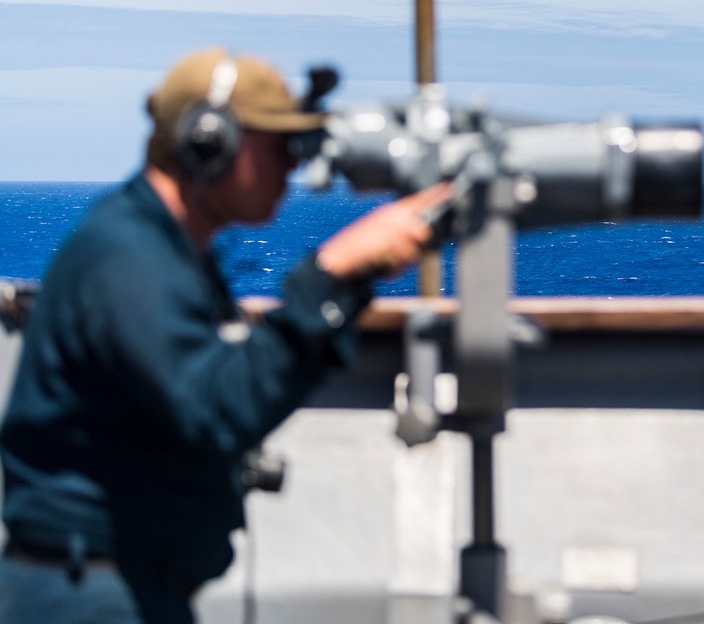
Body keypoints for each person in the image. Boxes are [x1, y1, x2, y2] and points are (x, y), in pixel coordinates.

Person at [0, 48, 450, 623]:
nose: (292, 167)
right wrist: (332, 274)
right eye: (277, 146)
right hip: (88, 593)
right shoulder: (127, 260)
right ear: (206, 142)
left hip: (119, 584)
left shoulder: (153, 251)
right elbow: (217, 407)